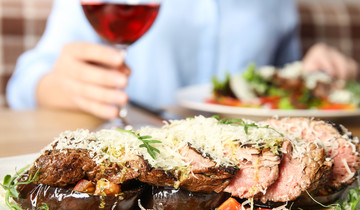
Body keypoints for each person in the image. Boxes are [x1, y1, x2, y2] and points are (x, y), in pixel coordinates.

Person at [6, 0, 359, 119]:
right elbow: (22, 86)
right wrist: (62, 85)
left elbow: (275, 81)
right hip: (144, 139)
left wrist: (310, 74)